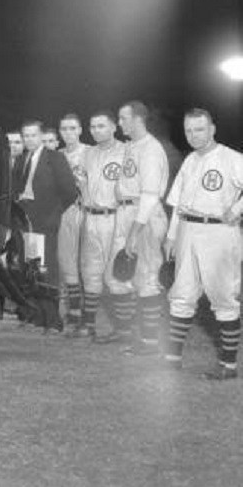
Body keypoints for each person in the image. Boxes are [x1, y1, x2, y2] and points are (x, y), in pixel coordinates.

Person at [162, 109, 243, 380]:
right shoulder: (190, 160)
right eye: (189, 130)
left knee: (223, 297)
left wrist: (238, 209)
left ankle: (228, 366)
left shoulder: (231, 158)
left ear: (212, 129)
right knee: (181, 294)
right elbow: (178, 203)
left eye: (199, 129)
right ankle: (172, 359)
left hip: (219, 231)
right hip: (188, 229)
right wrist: (171, 236)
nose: (194, 135)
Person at [97, 101, 169, 354]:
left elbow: (149, 195)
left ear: (138, 119)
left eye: (123, 118)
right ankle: (124, 332)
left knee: (146, 278)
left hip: (145, 215)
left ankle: (150, 342)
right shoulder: (132, 146)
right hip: (126, 211)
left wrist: (134, 233)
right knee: (116, 277)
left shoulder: (151, 149)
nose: (120, 123)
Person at [15, 120, 78, 329]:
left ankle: (52, 319)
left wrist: (55, 212)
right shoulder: (21, 159)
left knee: (48, 269)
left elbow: (70, 190)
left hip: (46, 221)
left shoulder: (54, 158)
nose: (29, 139)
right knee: (33, 268)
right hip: (27, 222)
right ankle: (37, 315)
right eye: (26, 136)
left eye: (33, 135)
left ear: (41, 136)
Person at [70, 111, 126, 338]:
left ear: (113, 127)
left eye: (101, 126)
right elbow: (80, 181)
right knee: (90, 271)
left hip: (115, 217)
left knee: (118, 275)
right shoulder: (88, 153)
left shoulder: (126, 151)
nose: (96, 130)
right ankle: (88, 324)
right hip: (90, 216)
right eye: (93, 126)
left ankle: (124, 329)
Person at [56, 114, 90, 333]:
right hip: (65, 212)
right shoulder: (56, 156)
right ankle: (75, 312)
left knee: (89, 265)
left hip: (89, 211)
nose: (68, 133)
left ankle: (89, 313)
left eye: (72, 128)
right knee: (67, 263)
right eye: (64, 129)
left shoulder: (91, 153)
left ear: (80, 130)